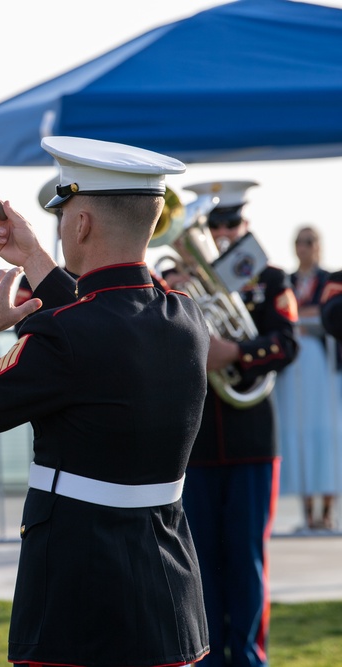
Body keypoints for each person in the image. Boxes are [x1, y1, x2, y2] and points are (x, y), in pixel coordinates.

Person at [0, 136, 210, 667]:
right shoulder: (186, 316)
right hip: (169, 593)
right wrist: (33, 256)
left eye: (65, 217)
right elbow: (104, 323)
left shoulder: (66, 336)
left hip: (80, 598)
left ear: (80, 225)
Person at [180, 180, 298, 667]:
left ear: (245, 224)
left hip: (251, 438)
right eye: (214, 225)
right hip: (197, 440)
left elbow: (286, 343)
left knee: (246, 558)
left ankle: (247, 657)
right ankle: (206, 657)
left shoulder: (270, 277)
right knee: (200, 560)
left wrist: (236, 353)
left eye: (231, 224)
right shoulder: (177, 279)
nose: (223, 234)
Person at [274, 225, 335, 531]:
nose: (303, 247)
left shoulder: (329, 280)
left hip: (322, 369)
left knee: (326, 434)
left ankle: (327, 512)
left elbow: (330, 317)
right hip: (294, 369)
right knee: (299, 435)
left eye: (308, 242)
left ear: (318, 245)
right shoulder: (287, 281)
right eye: (299, 242)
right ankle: (309, 513)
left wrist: (305, 318)